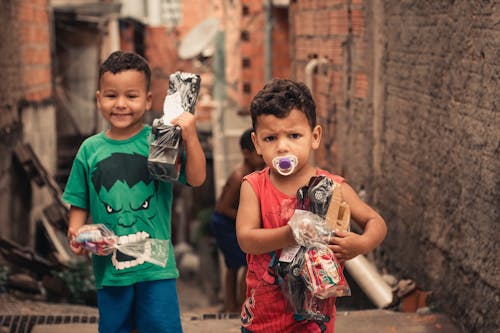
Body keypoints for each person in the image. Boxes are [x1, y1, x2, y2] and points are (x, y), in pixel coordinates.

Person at [62, 50, 206, 333]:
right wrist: (76, 230)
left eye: (131, 95)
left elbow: (197, 179)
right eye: (111, 95)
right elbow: (79, 198)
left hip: (157, 268)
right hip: (110, 271)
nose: (120, 104)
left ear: (148, 100)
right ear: (98, 98)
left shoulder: (160, 140)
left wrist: (189, 134)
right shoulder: (89, 149)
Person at [236, 78, 387, 332]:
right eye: (271, 138)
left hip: (314, 323)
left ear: (314, 137)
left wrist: (360, 244)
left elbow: (376, 223)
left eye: (294, 135)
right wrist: (290, 233)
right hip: (262, 321)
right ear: (257, 143)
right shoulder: (254, 186)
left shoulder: (332, 188)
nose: (283, 146)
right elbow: (246, 239)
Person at [210, 128, 265, 313]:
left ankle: (232, 305)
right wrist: (249, 219)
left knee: (235, 265)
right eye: (257, 153)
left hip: (231, 222)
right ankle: (239, 305)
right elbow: (223, 208)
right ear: (246, 153)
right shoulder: (239, 176)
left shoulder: (256, 173)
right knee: (244, 262)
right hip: (224, 223)